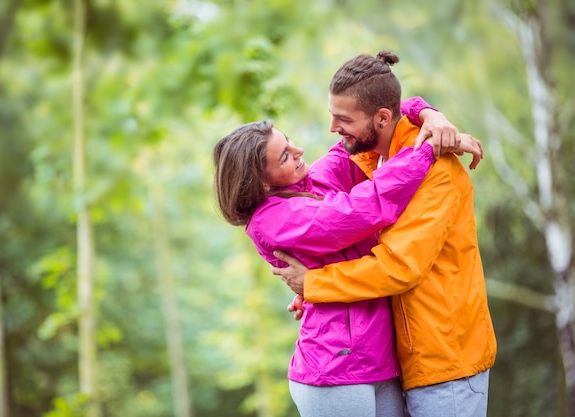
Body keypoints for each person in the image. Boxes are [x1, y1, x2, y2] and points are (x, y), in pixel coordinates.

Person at [213, 97, 483, 417]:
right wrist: (427, 150)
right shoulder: (273, 220)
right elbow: (362, 210)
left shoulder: (313, 181)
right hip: (335, 369)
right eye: (285, 155)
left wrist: (428, 115)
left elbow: (366, 129)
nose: (299, 151)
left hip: (379, 362)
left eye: (290, 142)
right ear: (261, 182)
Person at [272, 51, 497, 417]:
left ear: (381, 119)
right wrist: (424, 110)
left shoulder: (435, 168)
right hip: (402, 357)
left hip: (446, 360)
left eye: (343, 119)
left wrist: (314, 284)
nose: (333, 128)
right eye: (332, 115)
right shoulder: (368, 156)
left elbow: (398, 266)